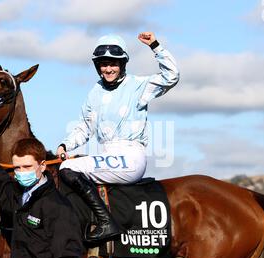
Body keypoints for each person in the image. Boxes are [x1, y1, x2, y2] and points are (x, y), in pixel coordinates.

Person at [56, 32, 179, 244]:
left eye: (113, 64)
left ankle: (107, 223)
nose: (108, 69)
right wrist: (65, 144)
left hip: (131, 157)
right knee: (66, 167)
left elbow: (172, 76)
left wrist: (156, 47)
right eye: (103, 64)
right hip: (106, 156)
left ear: (122, 64)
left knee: (67, 169)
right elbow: (84, 127)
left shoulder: (138, 85)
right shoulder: (94, 93)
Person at [0, 131, 84, 258]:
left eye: (27, 166)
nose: (22, 172)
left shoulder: (57, 207)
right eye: (17, 168)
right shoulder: (19, 197)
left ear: (43, 165)